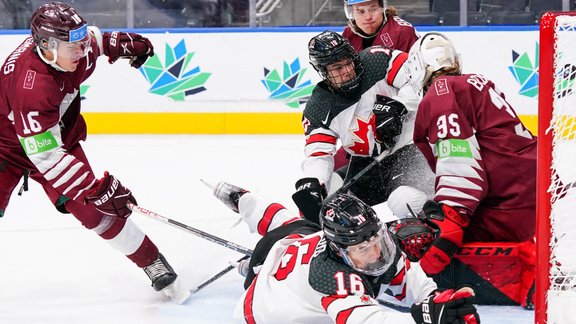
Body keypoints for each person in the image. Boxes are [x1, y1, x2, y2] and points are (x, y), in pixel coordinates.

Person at [0, 2, 188, 303]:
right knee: (98, 198)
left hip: (57, 137)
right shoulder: (32, 87)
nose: (82, 50)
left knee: (97, 212)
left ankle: (151, 260)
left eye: (81, 41)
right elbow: (45, 156)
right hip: (6, 147)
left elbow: (96, 41)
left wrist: (120, 44)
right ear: (46, 46)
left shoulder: (68, 48)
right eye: (73, 45)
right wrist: (94, 188)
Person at [208, 181, 479, 324]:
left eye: (378, 241)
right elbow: (367, 320)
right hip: (264, 303)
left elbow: (405, 275)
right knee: (276, 240)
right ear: (340, 251)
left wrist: (434, 299)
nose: (376, 253)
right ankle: (247, 266)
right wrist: (420, 319)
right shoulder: (332, 277)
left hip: (295, 241)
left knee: (294, 224)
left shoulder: (364, 241)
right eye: (363, 249)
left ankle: (243, 200)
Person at [398, 32, 537, 307]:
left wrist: (449, 222)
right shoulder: (472, 83)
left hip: (509, 210)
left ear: (417, 69)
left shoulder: (441, 92)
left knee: (402, 202)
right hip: (532, 196)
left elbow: (459, 163)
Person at [293, 30, 434, 224]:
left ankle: (439, 229)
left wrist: (399, 106)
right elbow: (319, 155)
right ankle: (350, 247)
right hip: (367, 166)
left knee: (404, 201)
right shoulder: (318, 107)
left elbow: (419, 81)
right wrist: (314, 182)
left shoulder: (378, 60)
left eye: (348, 62)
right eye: (337, 67)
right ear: (324, 71)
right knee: (326, 201)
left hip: (409, 153)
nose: (347, 71)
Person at [342, 0, 419, 53]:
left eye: (373, 9)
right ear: (351, 13)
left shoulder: (403, 32)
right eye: (360, 11)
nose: (368, 17)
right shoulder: (348, 34)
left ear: (383, 8)